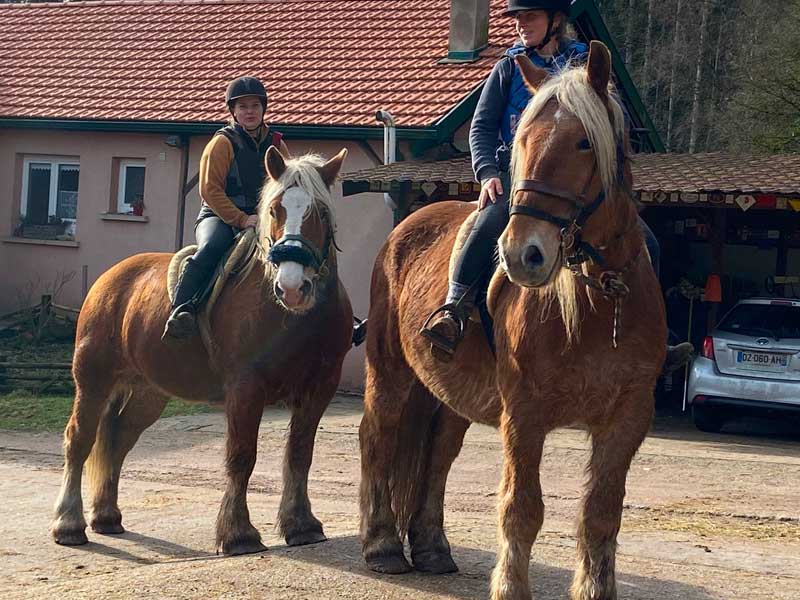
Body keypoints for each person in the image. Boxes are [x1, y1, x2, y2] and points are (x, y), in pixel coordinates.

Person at [420, 0, 693, 371]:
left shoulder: (587, 66)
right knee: (487, 224)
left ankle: (656, 338)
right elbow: (481, 128)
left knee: (648, 244)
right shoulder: (506, 69)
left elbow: (616, 121)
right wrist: (487, 174)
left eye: (529, 16)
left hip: (573, 185)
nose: (521, 25)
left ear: (556, 20)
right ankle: (454, 310)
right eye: (517, 18)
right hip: (519, 179)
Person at [162, 76, 290, 342]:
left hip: (262, 219)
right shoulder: (222, 143)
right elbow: (209, 190)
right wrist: (241, 219)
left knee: (296, 249)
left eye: (255, 105)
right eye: (243, 107)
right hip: (219, 216)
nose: (249, 112)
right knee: (211, 248)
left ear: (263, 109)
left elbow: (287, 185)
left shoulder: (277, 144)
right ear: (233, 111)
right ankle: (180, 310)